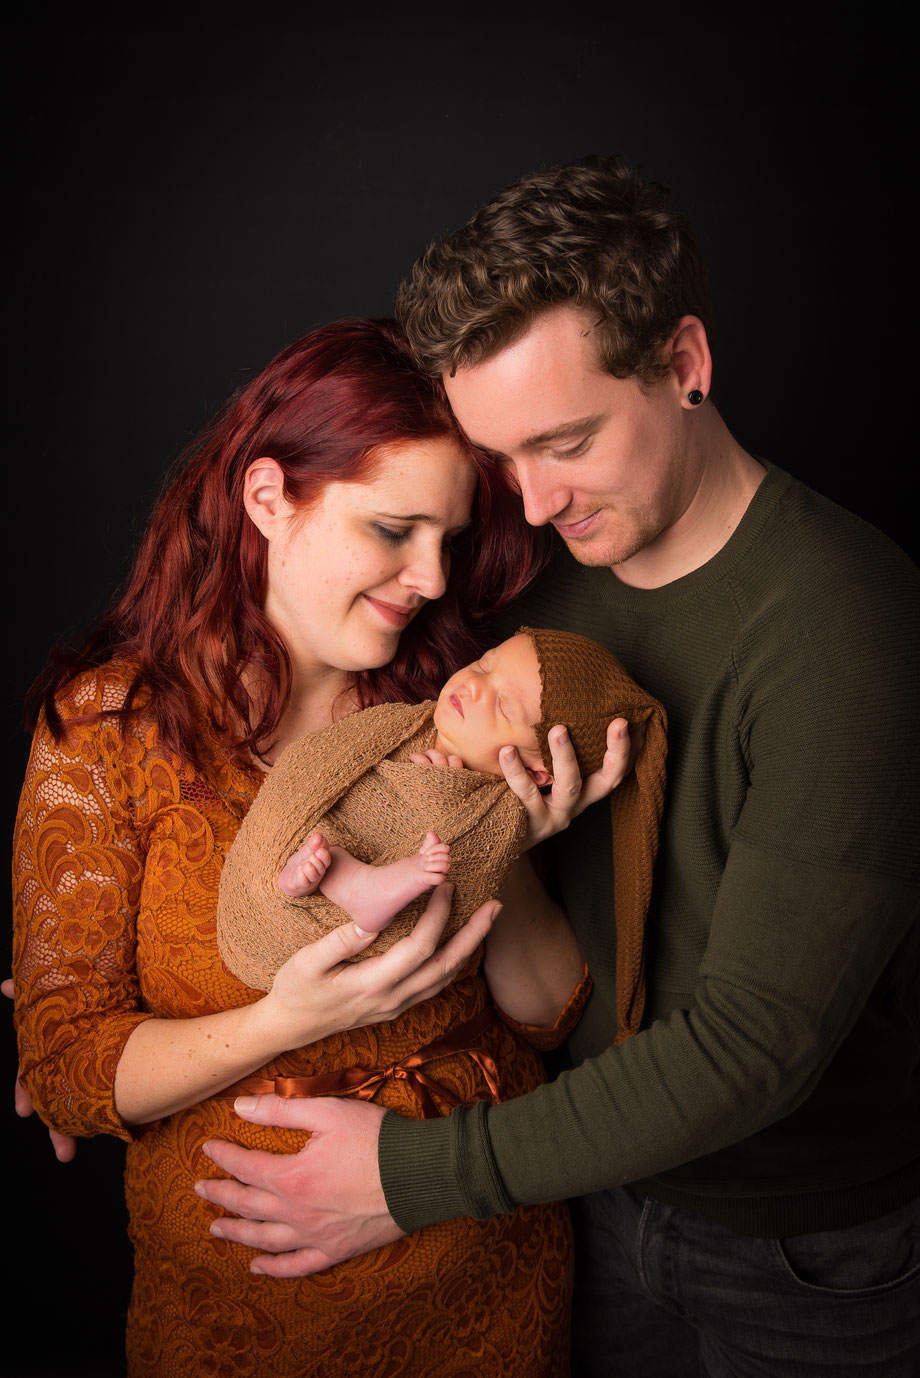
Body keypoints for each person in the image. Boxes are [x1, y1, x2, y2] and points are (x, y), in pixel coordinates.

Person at [194, 159, 920, 1377]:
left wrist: (413, 1177)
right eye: (498, 459)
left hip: (804, 1253)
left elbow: (751, 1047)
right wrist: (97, 1007)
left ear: (683, 361)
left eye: (564, 442)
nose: (525, 504)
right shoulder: (534, 573)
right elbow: (361, 769)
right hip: (579, 1202)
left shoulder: (850, 631)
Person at [12, 317, 634, 1378]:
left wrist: (507, 842)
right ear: (268, 499)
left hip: (482, 1284)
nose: (433, 578)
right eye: (394, 530)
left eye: (447, 536)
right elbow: (66, 1067)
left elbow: (549, 1014)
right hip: (241, 1324)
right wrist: (284, 1019)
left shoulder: (453, 703)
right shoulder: (106, 733)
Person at [215, 628, 667, 1055]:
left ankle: (350, 883)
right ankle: (327, 876)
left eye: (504, 707)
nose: (472, 686)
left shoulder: (499, 814)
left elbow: (553, 1018)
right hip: (280, 882)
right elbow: (327, 766)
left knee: (369, 853)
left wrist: (478, 821)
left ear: (537, 773)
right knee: (329, 837)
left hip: (370, 914)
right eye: (485, 665)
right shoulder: (405, 719)